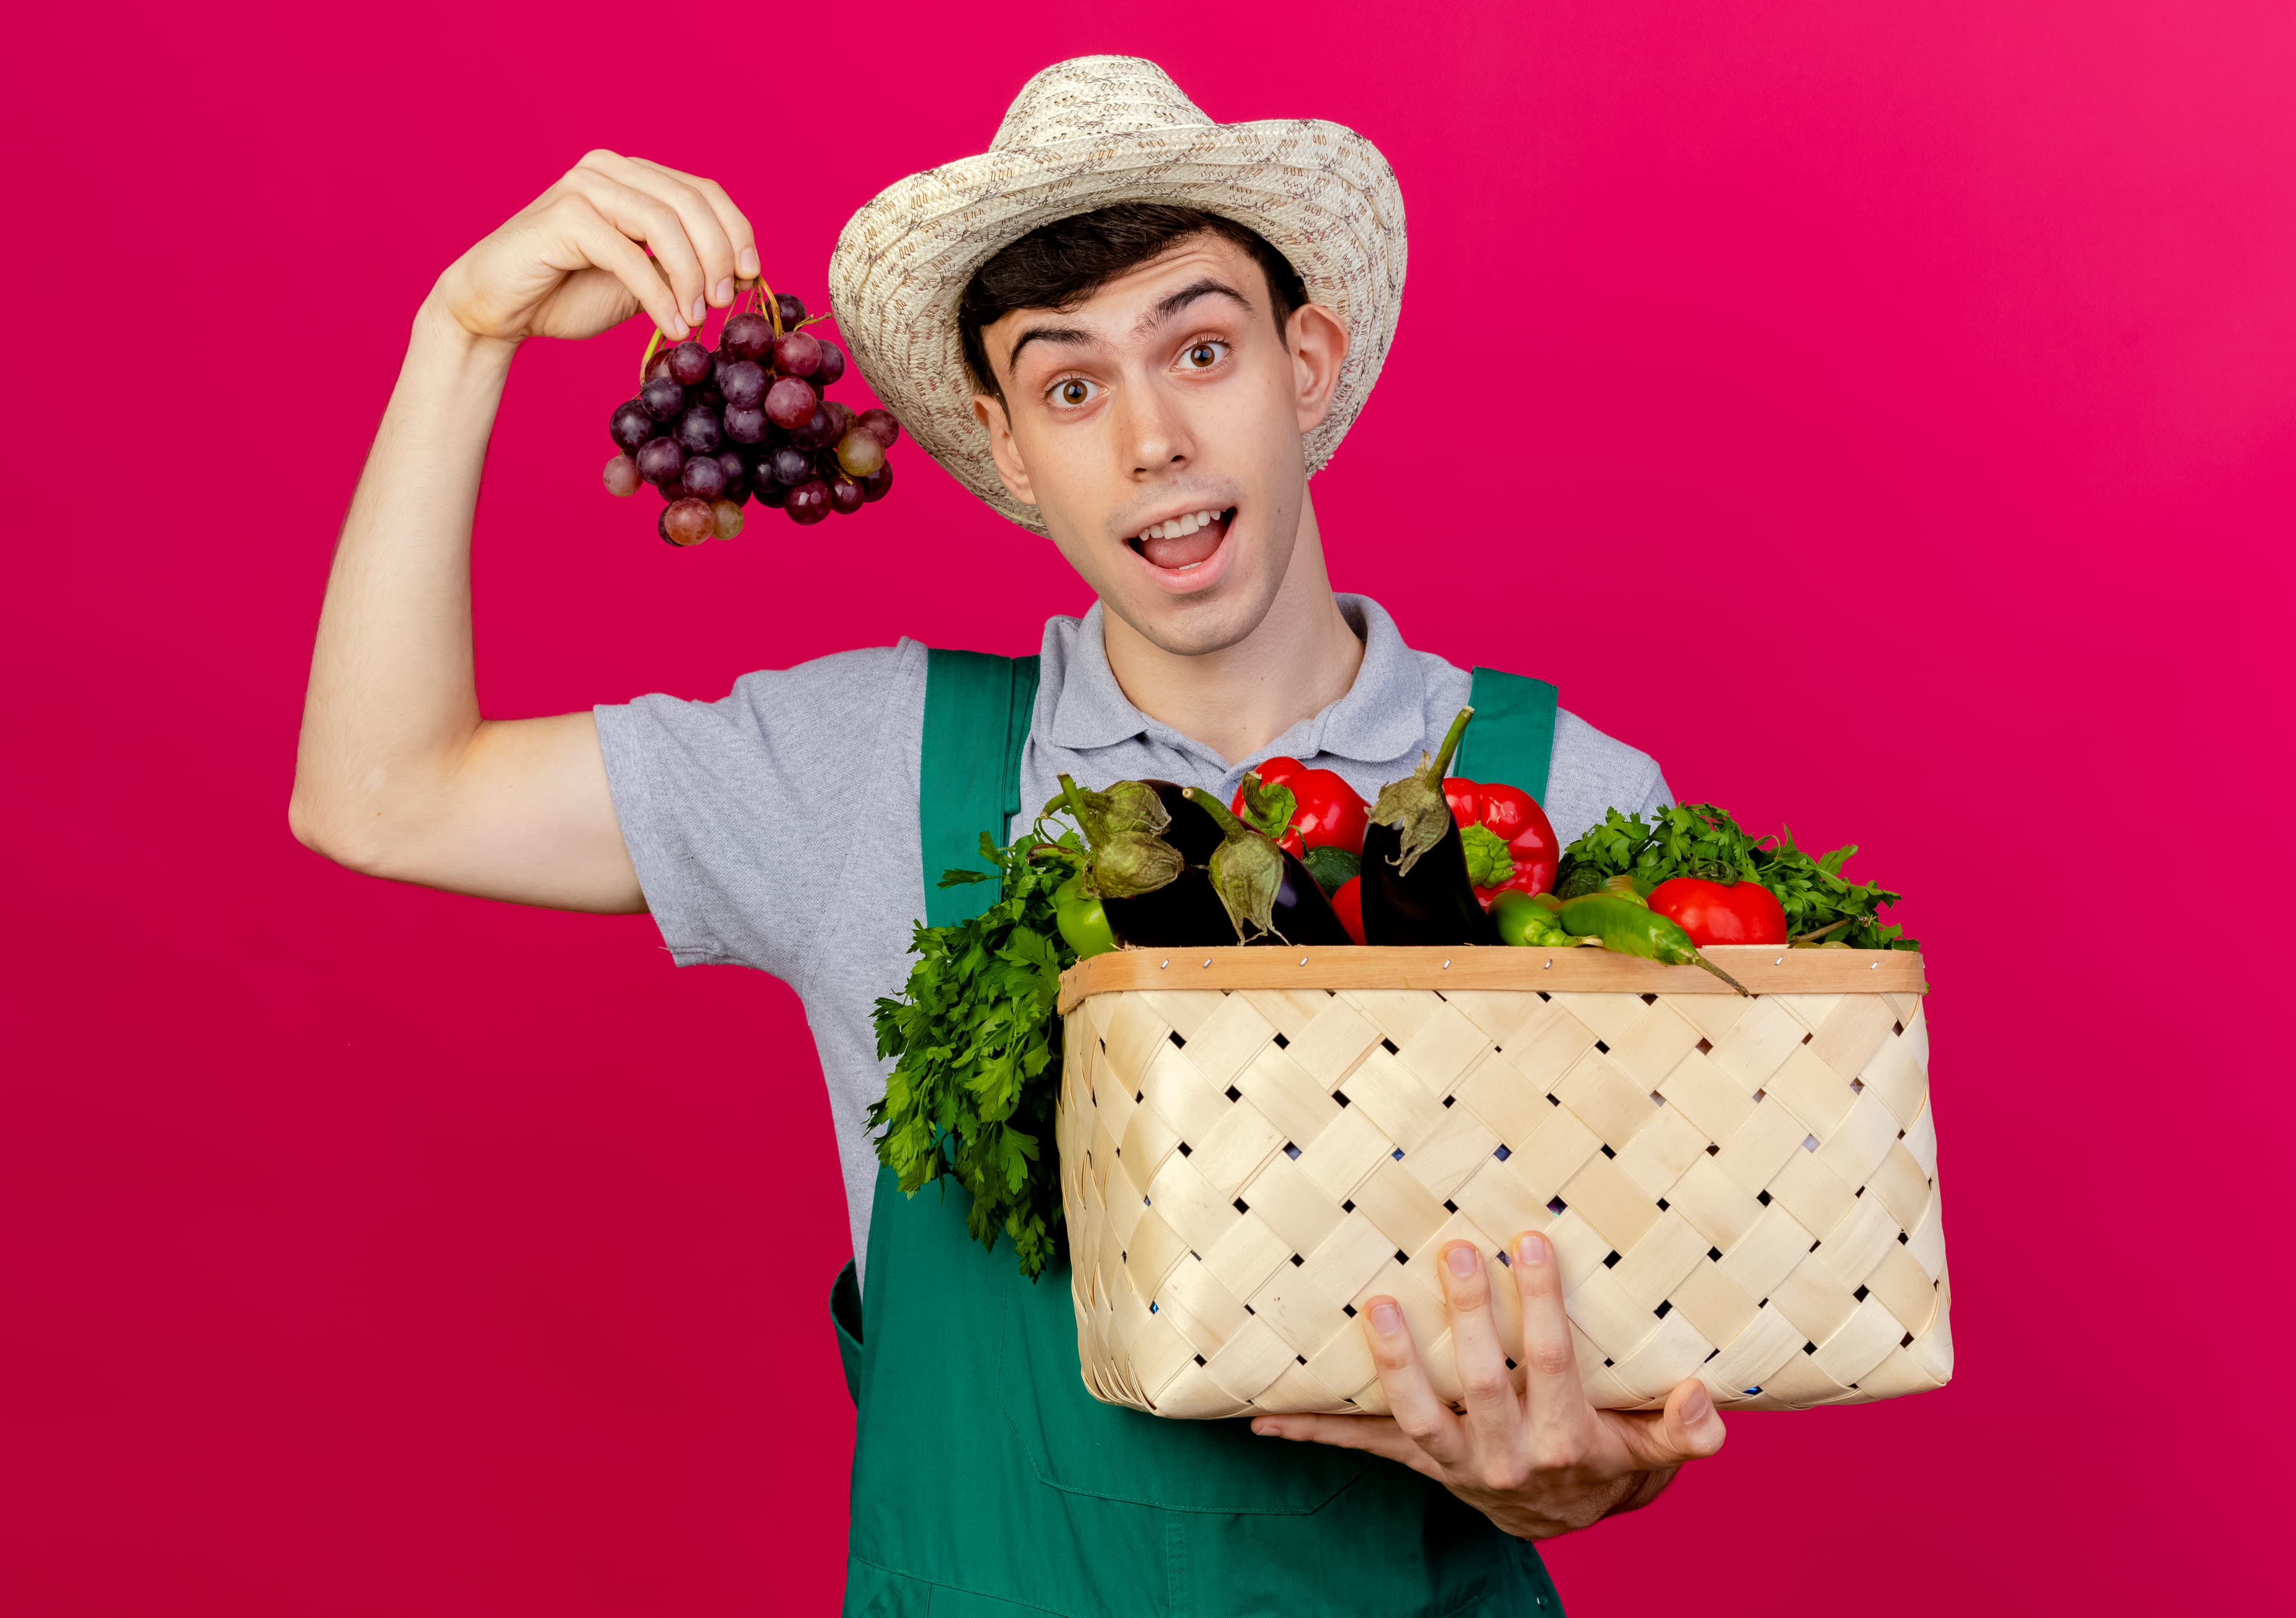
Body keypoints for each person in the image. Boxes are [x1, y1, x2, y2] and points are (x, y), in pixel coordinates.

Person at [291, 53, 1726, 1618]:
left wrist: (1612, 1467)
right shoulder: (869, 768)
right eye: (1070, 385)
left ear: (1305, 365)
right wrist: (464, 333)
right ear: (1007, 445)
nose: (1152, 440)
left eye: (1200, 348)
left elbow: (1665, 1342)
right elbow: (379, 793)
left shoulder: (1568, 803)